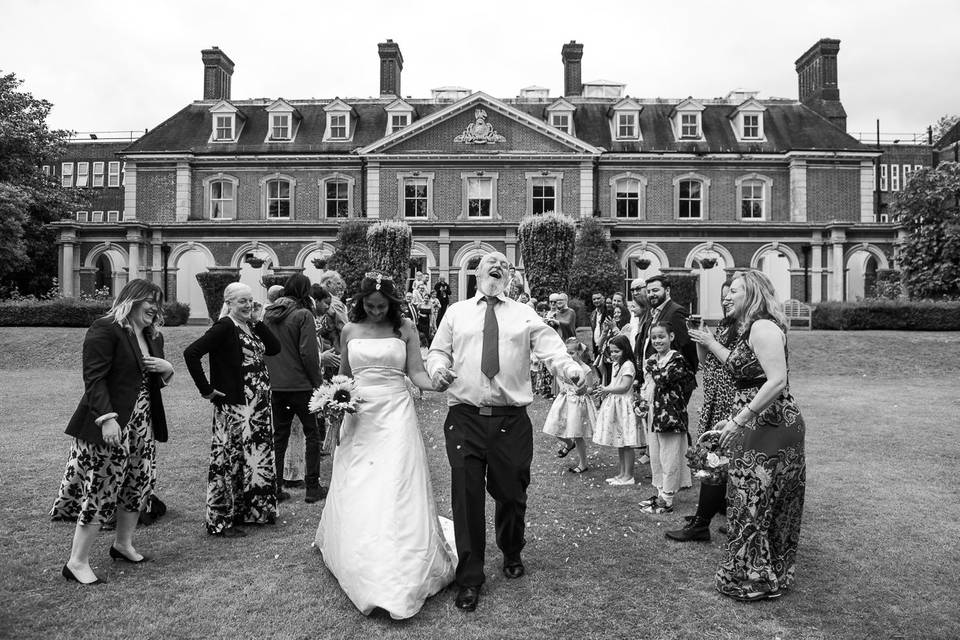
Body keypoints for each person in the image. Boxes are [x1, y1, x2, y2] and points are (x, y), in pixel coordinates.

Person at [427, 251, 585, 612]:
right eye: (488, 264)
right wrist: (438, 369)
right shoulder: (456, 312)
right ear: (477, 274)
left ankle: (511, 548)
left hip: (510, 421)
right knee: (466, 500)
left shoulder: (523, 314)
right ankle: (470, 578)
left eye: (502, 264)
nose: (495, 267)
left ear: (510, 276)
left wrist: (570, 369)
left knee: (512, 493)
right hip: (464, 418)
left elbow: (553, 351)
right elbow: (438, 352)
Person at [314, 272, 455, 620]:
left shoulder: (405, 328)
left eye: (381, 306)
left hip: (396, 412)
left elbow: (416, 374)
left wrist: (436, 384)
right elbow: (344, 377)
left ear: (391, 304)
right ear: (360, 303)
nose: (376, 312)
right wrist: (334, 401)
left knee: (395, 482)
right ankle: (357, 550)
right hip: (359, 414)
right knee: (360, 480)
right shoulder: (349, 330)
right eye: (370, 306)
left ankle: (398, 562)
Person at [53, 279, 173, 585]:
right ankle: (76, 562)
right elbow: (94, 378)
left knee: (139, 483)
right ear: (131, 299)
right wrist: (106, 418)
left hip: (142, 426)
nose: (155, 309)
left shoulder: (151, 335)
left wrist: (167, 368)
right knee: (103, 487)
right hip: (113, 425)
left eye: (159, 303)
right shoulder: (106, 328)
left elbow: (148, 381)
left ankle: (123, 544)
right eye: (150, 301)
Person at [696, 270, 806, 602]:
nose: (727, 296)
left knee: (757, 501)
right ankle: (759, 571)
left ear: (754, 294)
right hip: (754, 423)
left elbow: (776, 381)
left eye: (735, 291)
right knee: (752, 500)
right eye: (726, 292)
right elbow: (742, 372)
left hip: (771, 425)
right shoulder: (748, 329)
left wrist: (740, 419)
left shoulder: (763, 327)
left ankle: (756, 578)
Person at [184, 282, 281, 537]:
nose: (248, 305)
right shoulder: (224, 326)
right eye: (242, 302)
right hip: (236, 406)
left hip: (257, 407)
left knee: (254, 459)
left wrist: (258, 320)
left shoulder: (249, 325)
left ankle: (254, 510)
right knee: (231, 461)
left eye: (250, 300)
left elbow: (274, 348)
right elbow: (191, 353)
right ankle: (223, 519)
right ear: (229, 303)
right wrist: (206, 389)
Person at [667, 280, 737, 542]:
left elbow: (737, 364)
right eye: (723, 297)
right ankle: (713, 509)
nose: (725, 300)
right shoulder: (725, 325)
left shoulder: (747, 328)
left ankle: (701, 522)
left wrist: (710, 341)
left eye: (730, 295)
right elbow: (705, 363)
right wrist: (700, 339)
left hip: (731, 402)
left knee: (716, 460)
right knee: (715, 459)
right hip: (714, 398)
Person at [263, 274, 326, 504]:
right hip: (300, 384)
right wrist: (318, 382)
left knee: (279, 437)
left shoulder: (269, 315)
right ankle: (312, 486)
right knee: (313, 434)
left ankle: (275, 486)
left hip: (276, 384)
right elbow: (308, 354)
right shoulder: (303, 314)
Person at [636, 321, 695, 515]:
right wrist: (642, 403)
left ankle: (668, 498)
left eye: (661, 336)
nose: (657, 340)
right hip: (655, 413)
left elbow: (663, 379)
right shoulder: (653, 359)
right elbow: (648, 386)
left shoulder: (677, 359)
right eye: (654, 337)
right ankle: (660, 492)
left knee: (669, 456)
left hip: (671, 415)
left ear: (671, 337)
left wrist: (651, 365)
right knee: (656, 455)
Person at [542, 338, 596, 474]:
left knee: (577, 434)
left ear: (579, 353)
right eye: (567, 354)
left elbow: (590, 388)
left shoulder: (585, 369)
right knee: (554, 426)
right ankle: (568, 443)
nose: (569, 357)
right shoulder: (564, 367)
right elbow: (558, 377)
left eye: (572, 353)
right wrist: (562, 387)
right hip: (565, 399)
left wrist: (583, 390)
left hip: (578, 402)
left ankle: (583, 463)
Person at [592, 334, 640, 485]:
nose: (613, 355)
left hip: (624, 406)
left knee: (627, 442)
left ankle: (629, 476)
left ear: (625, 350)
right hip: (616, 405)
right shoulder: (616, 364)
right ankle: (622, 473)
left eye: (616, 351)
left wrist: (607, 389)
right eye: (611, 351)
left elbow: (625, 386)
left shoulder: (628, 365)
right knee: (620, 441)